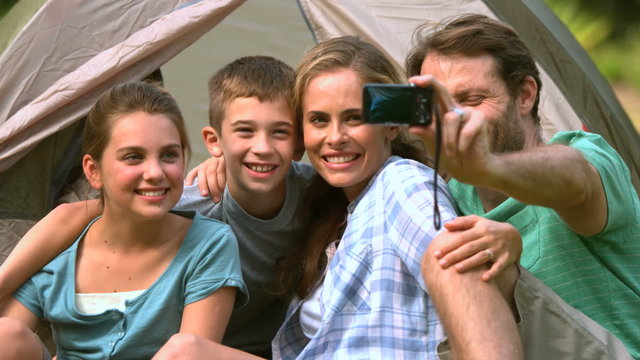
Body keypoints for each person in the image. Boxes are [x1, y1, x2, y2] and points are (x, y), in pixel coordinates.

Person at [0, 56, 315, 358]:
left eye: (168, 155)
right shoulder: (188, 199)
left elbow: (192, 352)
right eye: (134, 156)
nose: (262, 148)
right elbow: (100, 210)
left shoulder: (210, 238)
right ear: (214, 142)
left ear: (299, 142)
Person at [406, 14, 640, 358]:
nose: (455, 119)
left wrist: (488, 167)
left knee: (460, 257)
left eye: (471, 99)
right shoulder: (445, 198)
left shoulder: (587, 154)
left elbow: (576, 180)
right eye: (439, 105)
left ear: (525, 96)